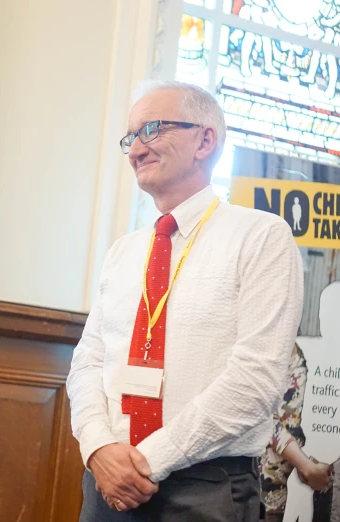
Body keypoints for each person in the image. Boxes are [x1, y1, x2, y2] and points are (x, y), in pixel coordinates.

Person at [66, 80, 303, 521]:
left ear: (205, 139)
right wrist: (98, 446)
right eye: (130, 137)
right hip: (107, 483)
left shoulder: (261, 237)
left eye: (152, 129)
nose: (136, 149)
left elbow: (255, 381)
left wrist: (148, 461)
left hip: (204, 486)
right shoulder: (124, 251)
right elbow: (87, 363)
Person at [260, 344, 332, 522]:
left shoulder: (298, 352)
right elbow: (263, 416)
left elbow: (293, 419)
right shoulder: (264, 349)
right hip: (266, 493)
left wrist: (309, 462)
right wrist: (304, 464)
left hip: (303, 487)